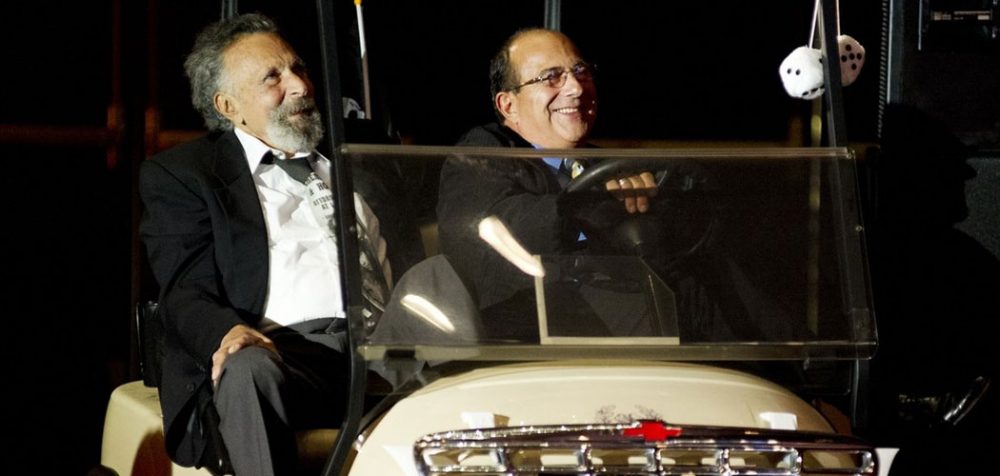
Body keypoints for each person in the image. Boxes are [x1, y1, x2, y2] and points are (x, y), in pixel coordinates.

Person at [139, 13, 389, 476]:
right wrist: (228, 334)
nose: (299, 86)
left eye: (299, 69)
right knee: (247, 370)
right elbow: (185, 290)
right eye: (273, 77)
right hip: (286, 355)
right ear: (229, 106)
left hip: (387, 348)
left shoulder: (362, 157)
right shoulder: (187, 175)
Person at [437, 28, 657, 313]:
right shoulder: (482, 153)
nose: (576, 88)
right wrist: (586, 206)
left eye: (580, 71)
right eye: (551, 77)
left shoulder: (608, 165)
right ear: (508, 105)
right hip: (531, 329)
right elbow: (498, 229)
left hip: (639, 319)